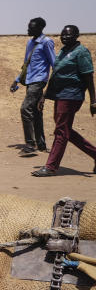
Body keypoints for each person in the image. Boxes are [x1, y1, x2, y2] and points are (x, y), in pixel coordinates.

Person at [31, 25, 96, 177]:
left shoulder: (81, 52)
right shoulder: (63, 51)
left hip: (71, 96)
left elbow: (88, 77)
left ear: (77, 35)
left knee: (61, 131)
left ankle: (51, 166)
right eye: (63, 35)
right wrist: (44, 96)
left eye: (69, 35)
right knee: (65, 130)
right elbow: (56, 75)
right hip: (59, 95)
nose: (65, 37)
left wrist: (94, 101)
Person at [10, 17, 56, 156]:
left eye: (31, 27)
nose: (28, 29)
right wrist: (17, 80)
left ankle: (30, 144)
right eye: (29, 26)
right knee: (36, 112)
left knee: (25, 109)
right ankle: (41, 144)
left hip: (39, 81)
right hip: (30, 81)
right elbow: (26, 64)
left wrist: (49, 88)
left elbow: (55, 64)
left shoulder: (46, 42)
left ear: (40, 28)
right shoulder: (30, 43)